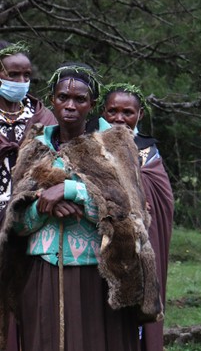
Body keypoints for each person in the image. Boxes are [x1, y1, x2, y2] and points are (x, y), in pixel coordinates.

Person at [0, 63, 161, 351]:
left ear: (93, 105)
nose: (70, 105)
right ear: (52, 100)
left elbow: (132, 219)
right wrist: (43, 205)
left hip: (98, 278)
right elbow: (16, 224)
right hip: (41, 275)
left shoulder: (115, 146)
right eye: (63, 97)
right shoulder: (34, 147)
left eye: (80, 99)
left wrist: (73, 191)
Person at [100, 83, 174, 351]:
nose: (119, 118)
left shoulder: (149, 152)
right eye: (113, 111)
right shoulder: (90, 144)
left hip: (139, 248)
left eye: (127, 112)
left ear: (140, 115)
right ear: (103, 111)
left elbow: (161, 198)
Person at [0, 41, 57, 220]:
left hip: (31, 217)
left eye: (26, 75)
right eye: (13, 75)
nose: (21, 82)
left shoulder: (44, 118)